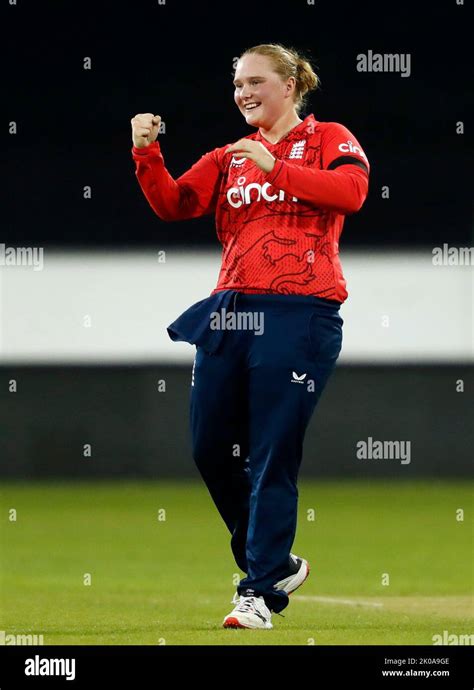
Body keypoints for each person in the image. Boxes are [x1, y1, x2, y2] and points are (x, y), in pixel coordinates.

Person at [130, 43, 370, 630]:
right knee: (210, 446)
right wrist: (147, 153)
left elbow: (352, 194)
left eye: (255, 82)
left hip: (301, 311)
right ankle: (276, 563)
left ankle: (258, 591)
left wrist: (277, 169)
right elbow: (174, 204)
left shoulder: (328, 138)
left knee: (270, 452)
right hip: (232, 310)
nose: (242, 93)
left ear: (289, 85)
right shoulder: (230, 155)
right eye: (237, 84)